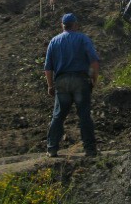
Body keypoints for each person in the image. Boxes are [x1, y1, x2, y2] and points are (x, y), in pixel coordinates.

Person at [44, 13, 100, 158]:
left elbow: (48, 67)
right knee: (84, 116)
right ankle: (90, 149)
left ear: (63, 26)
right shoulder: (83, 39)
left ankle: (52, 148)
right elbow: (94, 61)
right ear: (75, 25)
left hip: (61, 81)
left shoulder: (54, 41)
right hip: (80, 81)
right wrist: (94, 79)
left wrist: (50, 86)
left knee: (58, 115)